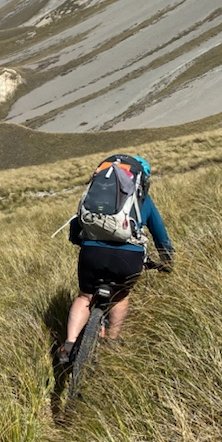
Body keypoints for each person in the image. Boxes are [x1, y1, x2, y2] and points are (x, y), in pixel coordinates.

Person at [57, 155, 173, 363]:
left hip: (92, 253)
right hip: (129, 256)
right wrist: (167, 260)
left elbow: (77, 225)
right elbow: (160, 235)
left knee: (85, 297)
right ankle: (112, 341)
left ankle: (69, 344)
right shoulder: (143, 200)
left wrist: (80, 242)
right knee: (120, 295)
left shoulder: (95, 195)